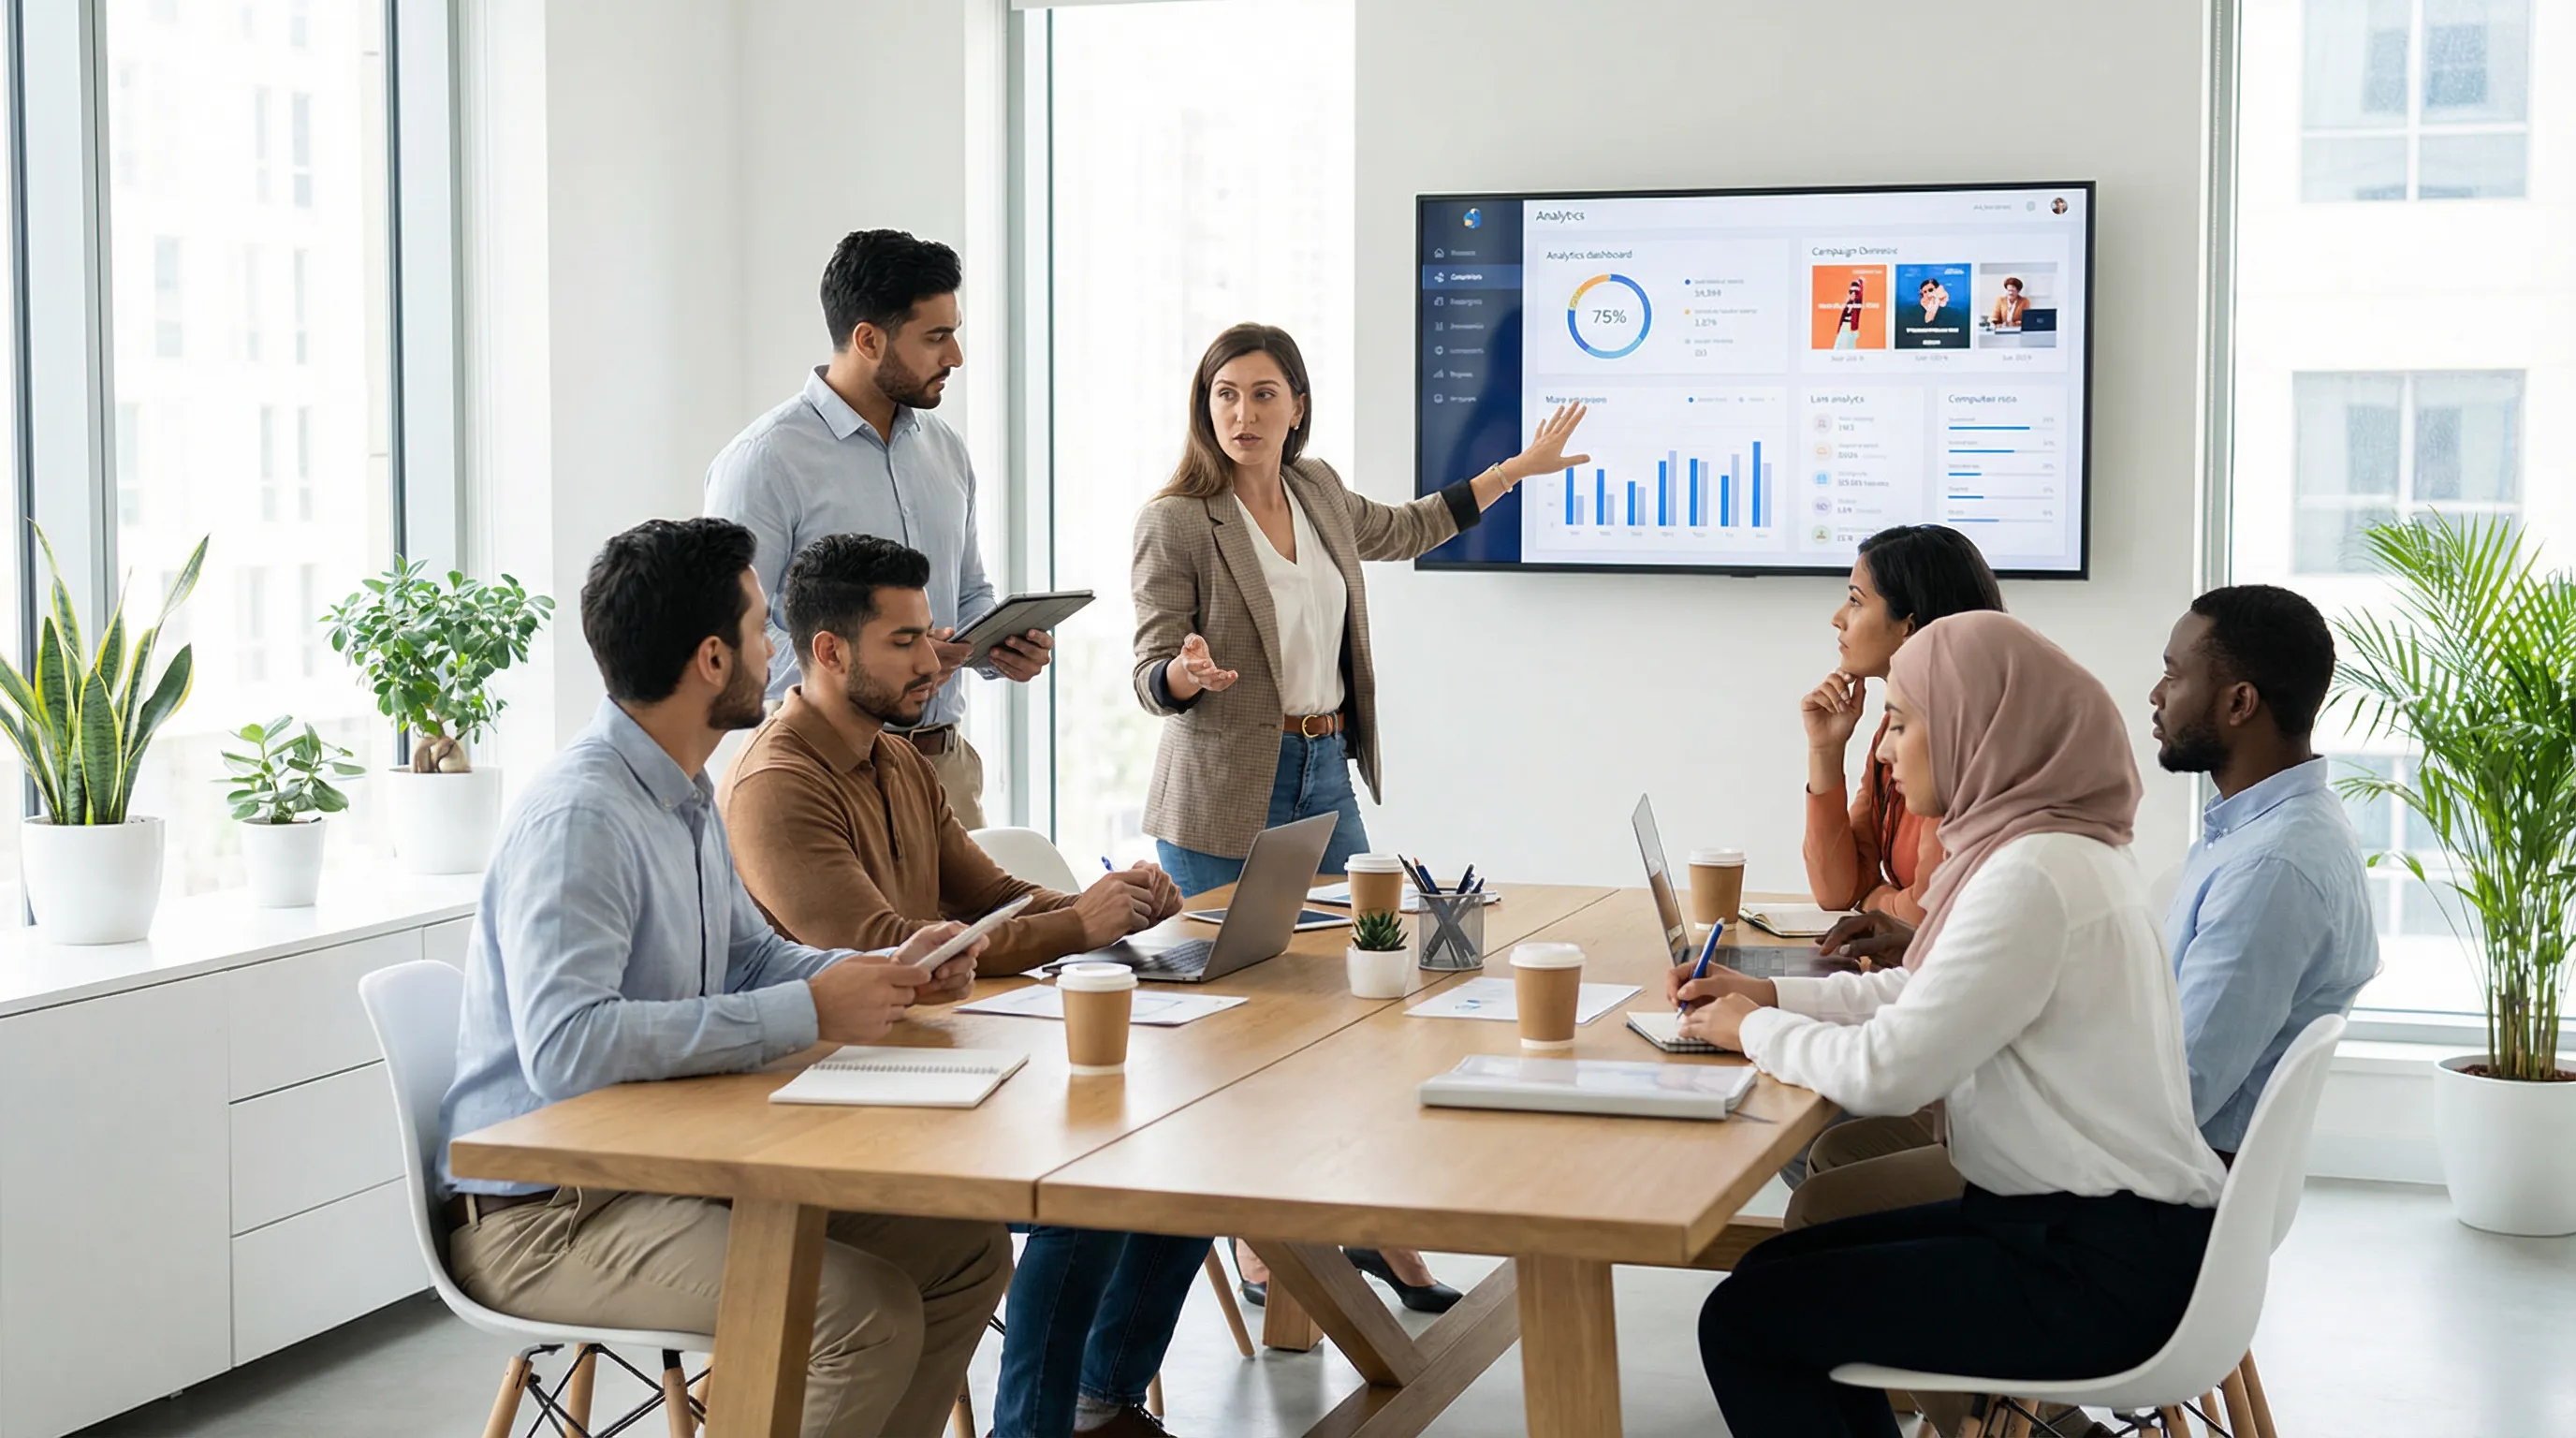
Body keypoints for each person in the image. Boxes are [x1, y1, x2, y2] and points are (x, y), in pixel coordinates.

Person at [438, 517, 1012, 1438]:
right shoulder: (583, 818)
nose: (775, 652)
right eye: (758, 632)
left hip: (662, 1168)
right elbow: (566, 1048)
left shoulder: (685, 788)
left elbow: (748, 954)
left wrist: (876, 972)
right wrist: (804, 1009)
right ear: (711, 659)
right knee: (861, 1314)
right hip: (554, 1213)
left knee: (962, 1254)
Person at [1129, 321, 1587, 1315]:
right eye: (1223, 396)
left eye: (1261, 394)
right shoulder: (1178, 521)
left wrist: (1518, 469)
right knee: (1243, 1034)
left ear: (1297, 403)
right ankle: (1264, 1242)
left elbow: (1412, 525)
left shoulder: (1319, 490)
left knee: (1368, 994)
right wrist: (1180, 673)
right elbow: (1148, 667)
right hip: (1220, 789)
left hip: (1322, 767)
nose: (1242, 415)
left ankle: (1373, 1228)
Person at [1680, 611, 2226, 1438]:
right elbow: (1922, 994)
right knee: (1770, 1277)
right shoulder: (2056, 848)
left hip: (2091, 1268)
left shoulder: (2032, 876)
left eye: (1901, 722)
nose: (1888, 749)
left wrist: (1751, 1035)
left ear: (1978, 726)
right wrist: (1768, 1001)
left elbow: (1889, 1074)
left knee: (1748, 1321)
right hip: (2096, 1230)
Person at [719, 531, 1199, 1438]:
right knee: (1084, 1190)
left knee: (1186, 1156)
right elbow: (887, 953)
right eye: (903, 643)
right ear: (827, 651)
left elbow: (990, 897)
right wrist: (1075, 926)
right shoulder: (775, 785)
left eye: (930, 635)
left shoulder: (898, 758)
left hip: (928, 1063)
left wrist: (1113, 903)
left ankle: (1100, 1401)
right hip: (831, 1099)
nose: (935, 662)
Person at [706, 227, 1046, 829]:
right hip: (825, 775)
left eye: (955, 333)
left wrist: (999, 645)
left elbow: (968, 591)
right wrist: (880, 665)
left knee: (983, 925)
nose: (956, 357)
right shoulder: (765, 461)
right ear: (867, 339)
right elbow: (734, 641)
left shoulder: (946, 450)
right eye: (936, 337)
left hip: (945, 771)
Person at [2151, 584, 2379, 1158]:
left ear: (2239, 704)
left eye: (2173, 676)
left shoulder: (2269, 868)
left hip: (2156, 1197)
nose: (2155, 695)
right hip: (2144, 1169)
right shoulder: (2260, 831)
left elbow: (2177, 1096)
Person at [1802, 524, 2005, 925]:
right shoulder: (1895, 729)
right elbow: (1837, 890)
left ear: (1908, 627)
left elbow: (1922, 911)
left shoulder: (1958, 738)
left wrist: (1873, 899)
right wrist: (1825, 750)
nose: (1837, 619)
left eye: (1856, 602)